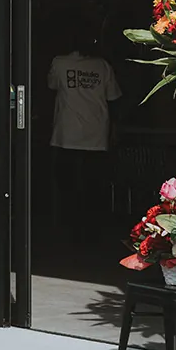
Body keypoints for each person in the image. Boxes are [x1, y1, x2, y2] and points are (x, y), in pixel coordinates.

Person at [47, 28, 121, 235]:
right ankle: (91, 229)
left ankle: (68, 226)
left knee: (66, 184)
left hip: (65, 135)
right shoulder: (103, 66)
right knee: (94, 185)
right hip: (96, 135)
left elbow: (51, 86)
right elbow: (114, 99)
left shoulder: (59, 63)